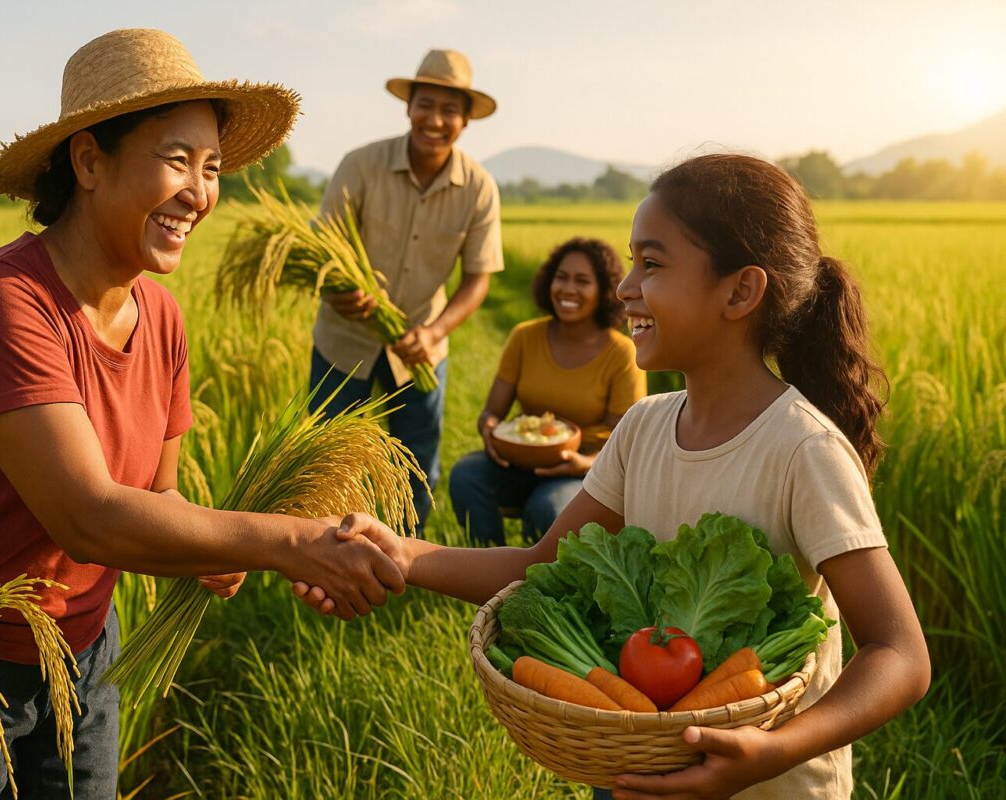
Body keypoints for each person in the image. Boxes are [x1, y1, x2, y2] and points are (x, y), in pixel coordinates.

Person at [0, 29, 407, 797]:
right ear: (88, 160)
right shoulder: (5, 301)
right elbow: (90, 516)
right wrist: (289, 543)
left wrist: (220, 545)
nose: (200, 193)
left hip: (82, 655)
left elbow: (157, 496)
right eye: (177, 160)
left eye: (212, 170)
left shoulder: (162, 317)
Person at [296, 154, 931, 799]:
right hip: (636, 761)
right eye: (631, 262)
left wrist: (770, 753)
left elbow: (899, 654)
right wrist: (401, 552)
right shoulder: (644, 427)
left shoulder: (803, 451)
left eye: (651, 265)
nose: (625, 288)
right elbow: (539, 564)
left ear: (740, 292)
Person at [308, 48, 504, 533]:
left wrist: (435, 331)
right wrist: (339, 292)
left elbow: (478, 278)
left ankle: (405, 556)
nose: (435, 120)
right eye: (425, 105)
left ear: (465, 120)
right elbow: (320, 251)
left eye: (449, 110)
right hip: (343, 339)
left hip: (420, 346)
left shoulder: (479, 188)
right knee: (328, 455)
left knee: (416, 462)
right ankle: (320, 555)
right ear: (408, 107)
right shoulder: (360, 165)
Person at [449, 237, 645, 545]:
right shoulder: (525, 337)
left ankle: (539, 585)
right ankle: (490, 571)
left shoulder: (621, 353)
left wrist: (583, 463)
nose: (568, 289)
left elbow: (627, 445)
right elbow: (491, 413)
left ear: (604, 291)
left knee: (548, 508)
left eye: (582, 281)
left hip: (582, 469)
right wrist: (489, 431)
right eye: (561, 277)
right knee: (466, 476)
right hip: (520, 460)